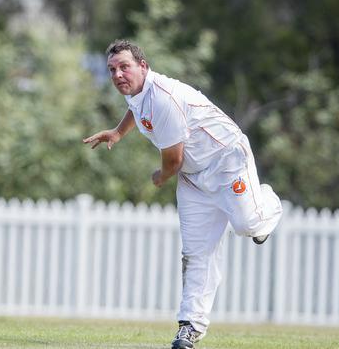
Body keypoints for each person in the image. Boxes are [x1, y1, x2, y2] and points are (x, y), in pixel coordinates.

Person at [83, 39, 283, 349]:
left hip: (226, 161)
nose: (118, 75)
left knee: (248, 226)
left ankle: (265, 201)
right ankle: (190, 327)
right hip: (193, 178)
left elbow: (172, 161)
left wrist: (159, 177)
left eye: (124, 67)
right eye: (112, 70)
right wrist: (118, 132)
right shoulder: (138, 92)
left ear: (143, 67)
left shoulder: (163, 98)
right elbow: (136, 110)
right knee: (196, 253)